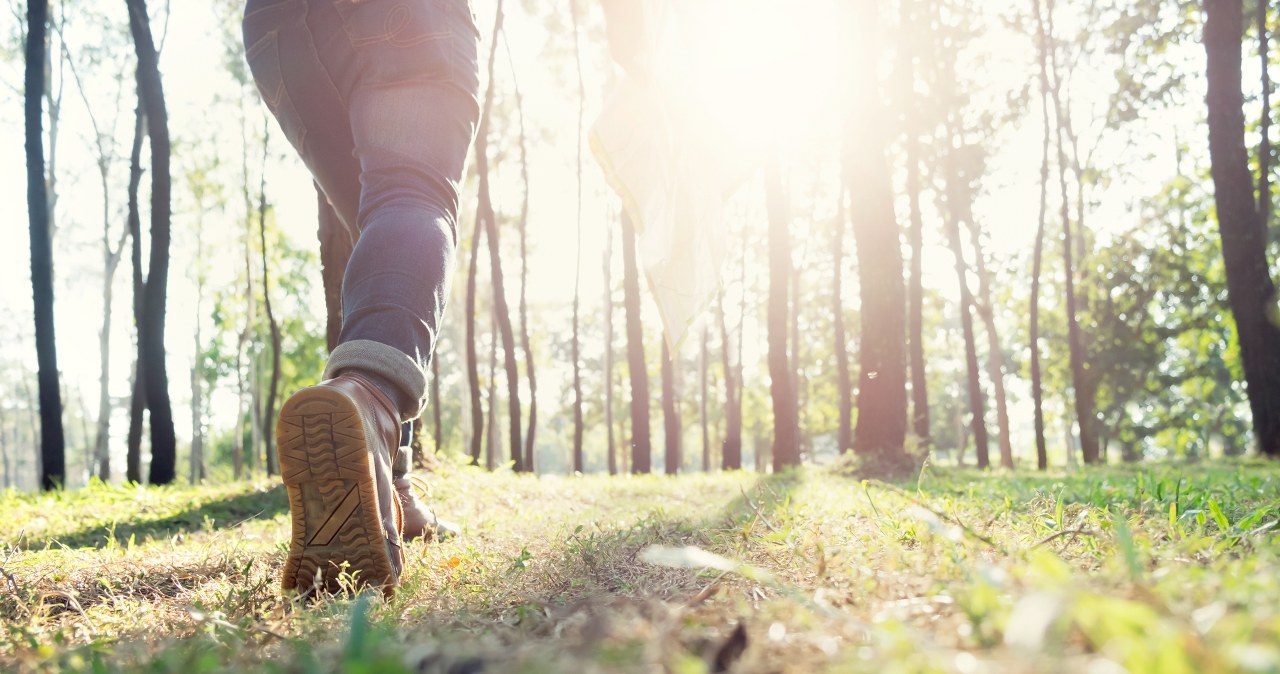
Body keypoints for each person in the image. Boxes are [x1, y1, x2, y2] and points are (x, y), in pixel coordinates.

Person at [241, 0, 480, 596]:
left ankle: (390, 488)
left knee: (378, 220)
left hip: (278, 32)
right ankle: (371, 401)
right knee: (412, 195)